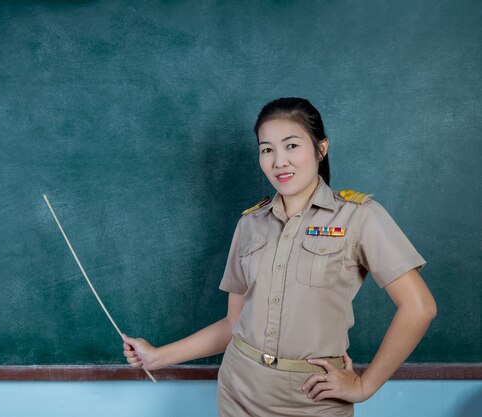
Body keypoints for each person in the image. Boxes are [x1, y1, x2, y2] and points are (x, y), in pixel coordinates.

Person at [121, 97, 437, 416]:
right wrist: (157, 357)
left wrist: (364, 386)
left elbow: (419, 307)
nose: (279, 161)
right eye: (267, 149)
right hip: (239, 390)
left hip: (313, 399)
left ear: (321, 148)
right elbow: (234, 325)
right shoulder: (250, 224)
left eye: (291, 146)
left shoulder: (359, 217)